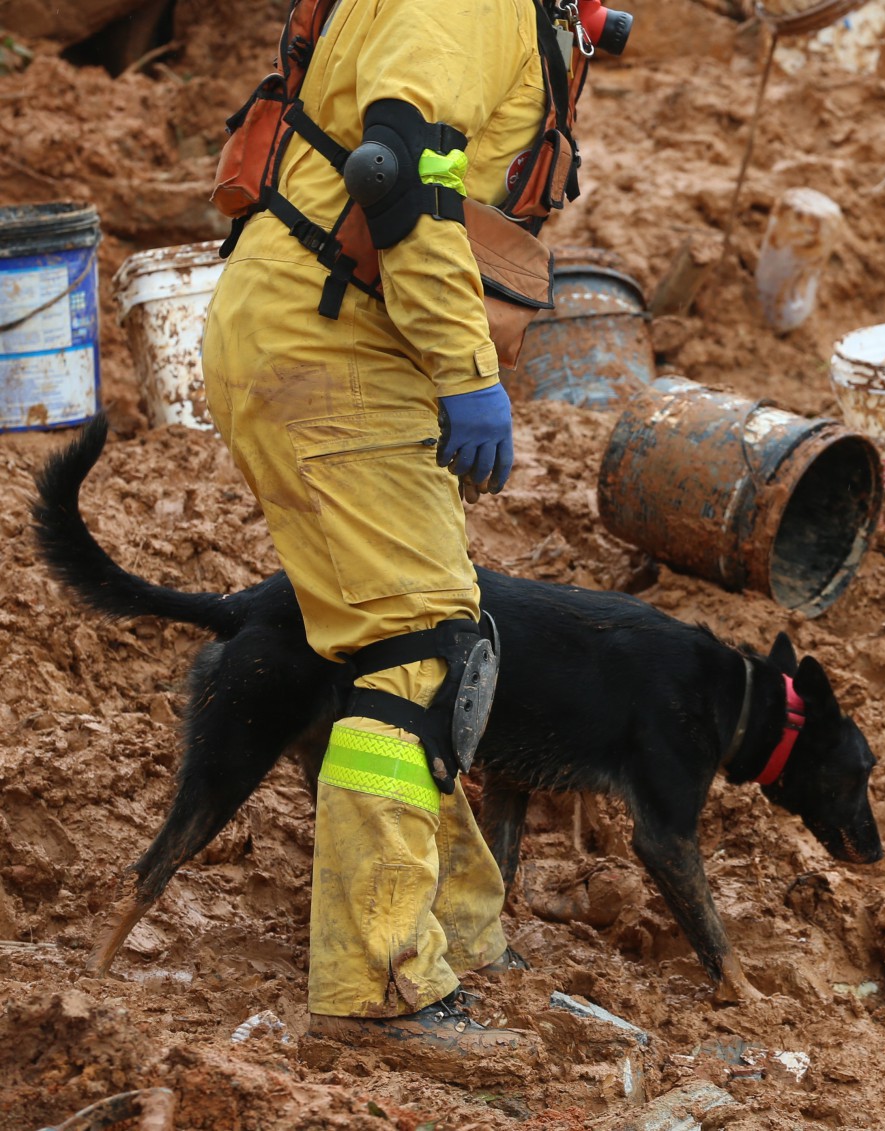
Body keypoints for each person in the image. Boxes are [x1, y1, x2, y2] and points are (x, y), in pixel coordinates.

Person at [199, 0, 601, 1054]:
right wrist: (468, 372)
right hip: (329, 341)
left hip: (317, 325)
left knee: (421, 635)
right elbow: (399, 172)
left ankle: (457, 931)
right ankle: (381, 988)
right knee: (419, 648)